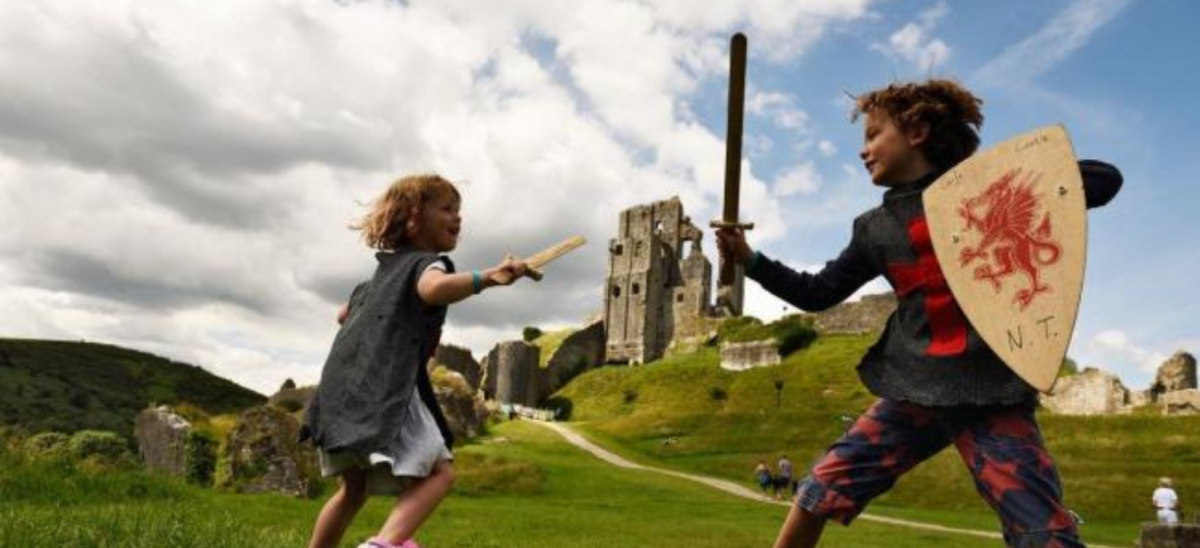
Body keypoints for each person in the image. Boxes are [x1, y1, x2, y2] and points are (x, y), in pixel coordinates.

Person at [715, 79, 1123, 548]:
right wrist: (750, 259)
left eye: (873, 135)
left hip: (991, 393)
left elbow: (1105, 180)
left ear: (918, 130)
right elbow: (817, 292)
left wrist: (1027, 179)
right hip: (914, 389)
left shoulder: (984, 196)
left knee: (1042, 531)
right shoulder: (875, 228)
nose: (863, 150)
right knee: (819, 490)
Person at [301, 174, 528, 548]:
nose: (458, 217)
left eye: (459, 210)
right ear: (413, 217)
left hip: (338, 395)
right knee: (440, 472)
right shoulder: (428, 264)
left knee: (351, 491)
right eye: (447, 208)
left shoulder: (374, 280)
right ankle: (383, 545)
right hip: (385, 390)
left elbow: (343, 315)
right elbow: (433, 289)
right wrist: (488, 277)